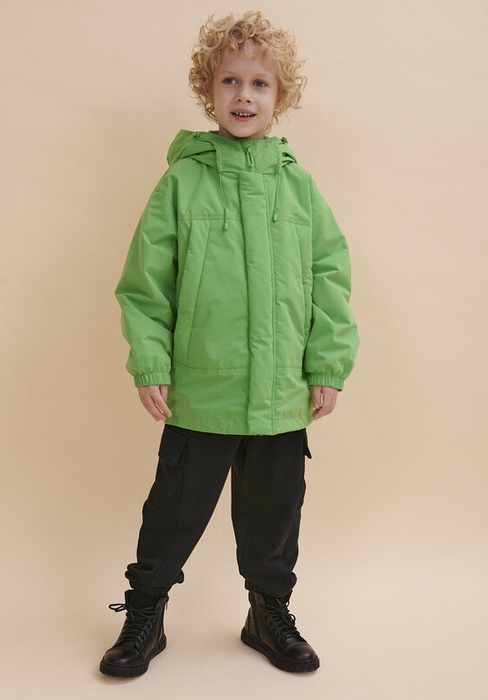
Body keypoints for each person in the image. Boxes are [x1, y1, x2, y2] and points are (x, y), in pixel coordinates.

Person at [99, 10, 359, 678]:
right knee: (172, 513)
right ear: (207, 90)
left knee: (275, 514)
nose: (244, 96)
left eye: (260, 84)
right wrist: (150, 362)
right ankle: (145, 613)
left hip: (280, 393)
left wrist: (327, 364)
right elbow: (145, 283)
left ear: (281, 95)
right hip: (201, 387)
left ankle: (267, 612)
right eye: (230, 81)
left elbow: (329, 276)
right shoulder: (182, 182)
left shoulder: (298, 186)